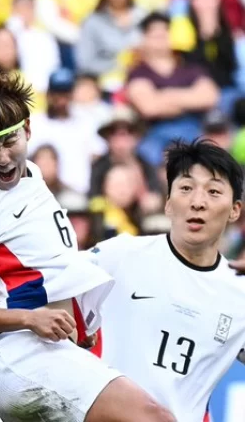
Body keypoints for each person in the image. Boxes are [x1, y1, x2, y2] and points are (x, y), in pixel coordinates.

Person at [0, 69, 175, 422]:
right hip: (26, 358)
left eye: (8, 141)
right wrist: (30, 319)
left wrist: (80, 319)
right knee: (154, 416)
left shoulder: (31, 172)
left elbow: (49, 264)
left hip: (57, 350)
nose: (2, 157)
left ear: (28, 130)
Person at [74, 140, 245, 422]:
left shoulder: (239, 292)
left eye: (214, 192)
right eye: (186, 188)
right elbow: (48, 289)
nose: (197, 202)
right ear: (167, 203)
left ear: (235, 210)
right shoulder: (118, 255)